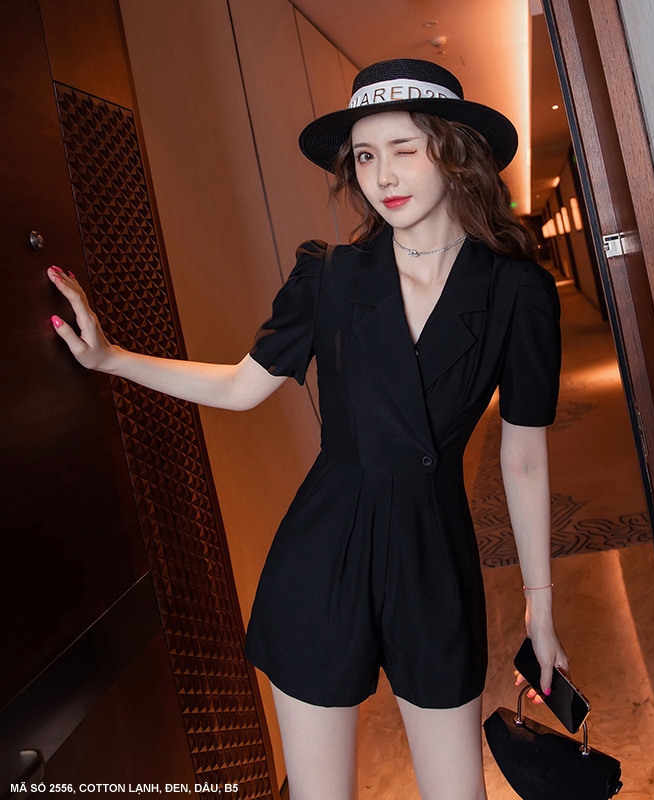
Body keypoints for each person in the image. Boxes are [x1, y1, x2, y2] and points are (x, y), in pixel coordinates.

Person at [48, 59, 569, 800]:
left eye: (405, 148)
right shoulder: (329, 276)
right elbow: (241, 387)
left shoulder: (517, 290)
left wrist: (539, 604)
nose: (382, 175)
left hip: (433, 556)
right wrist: (113, 359)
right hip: (323, 553)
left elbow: (522, 458)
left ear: (455, 152)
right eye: (365, 156)